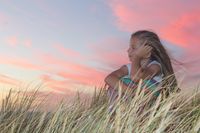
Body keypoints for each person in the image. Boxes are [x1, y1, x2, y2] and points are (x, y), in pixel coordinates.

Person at [104, 30, 181, 111]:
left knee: (130, 83)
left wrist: (136, 57)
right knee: (114, 85)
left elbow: (136, 77)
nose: (128, 50)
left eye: (133, 47)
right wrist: (131, 93)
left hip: (145, 110)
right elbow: (109, 78)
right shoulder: (128, 67)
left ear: (147, 51)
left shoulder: (155, 66)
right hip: (126, 108)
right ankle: (116, 115)